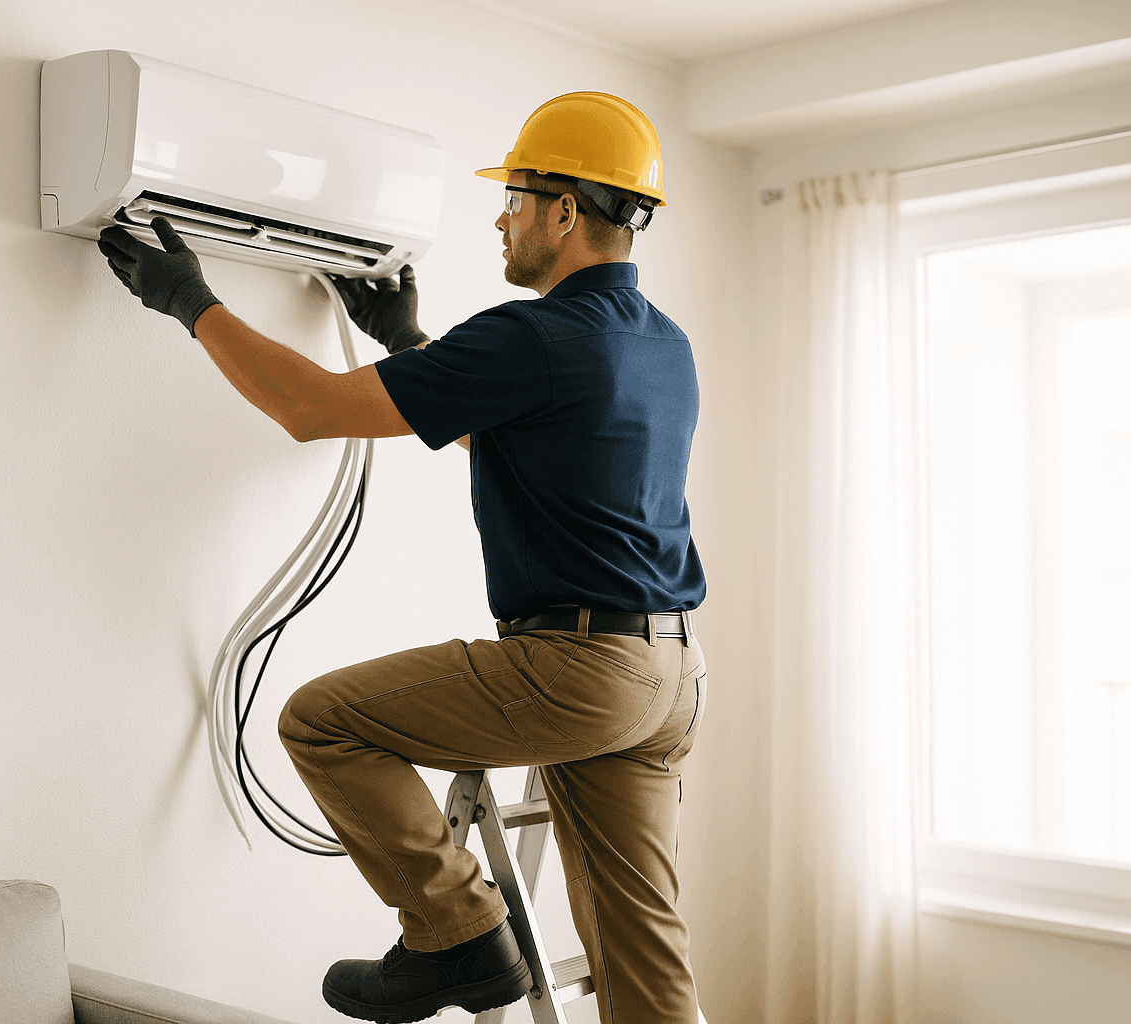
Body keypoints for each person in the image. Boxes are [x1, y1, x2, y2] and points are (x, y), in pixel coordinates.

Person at [99, 91, 707, 1024]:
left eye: (515, 197)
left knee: (320, 722)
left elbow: (310, 410)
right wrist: (412, 347)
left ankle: (458, 934)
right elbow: (539, 439)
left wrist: (191, 302)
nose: (502, 216)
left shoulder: (533, 336)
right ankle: (474, 938)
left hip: (578, 669)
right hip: (667, 676)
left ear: (565, 211)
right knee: (644, 959)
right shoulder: (663, 344)